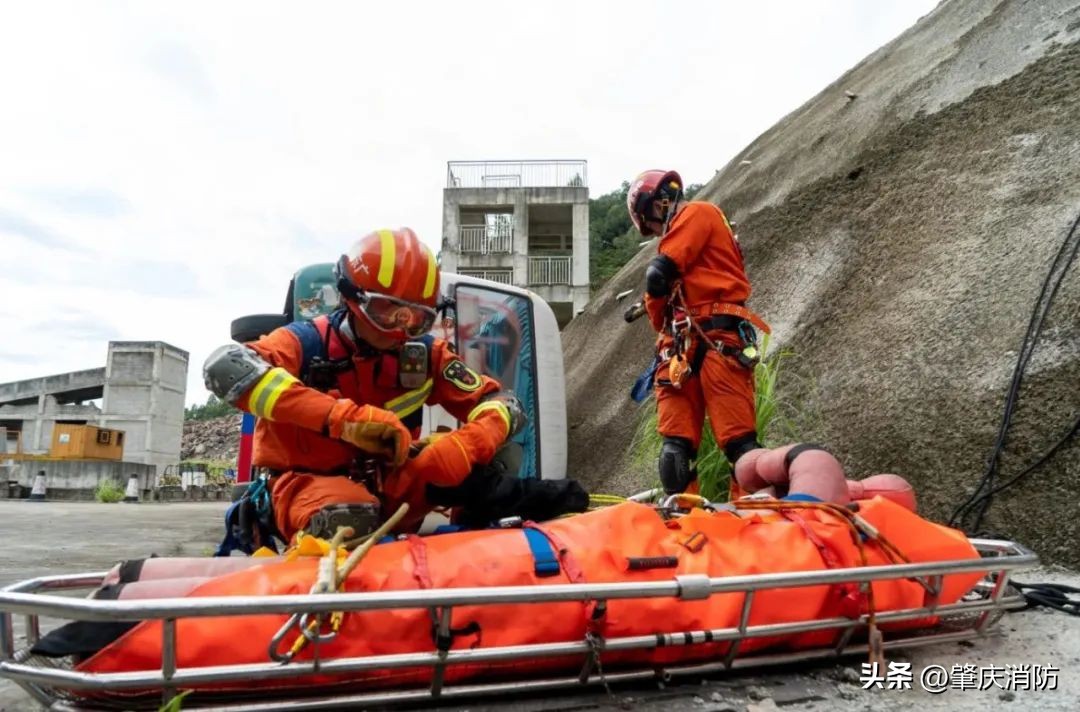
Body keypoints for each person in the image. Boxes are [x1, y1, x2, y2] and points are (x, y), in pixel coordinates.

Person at [204, 227, 586, 548]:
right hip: (305, 487)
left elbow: (504, 403)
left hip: (391, 487)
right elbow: (226, 368)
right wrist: (341, 419)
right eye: (389, 313)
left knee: (475, 484)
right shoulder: (304, 345)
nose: (402, 330)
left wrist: (468, 445)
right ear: (352, 299)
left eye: (417, 319)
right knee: (347, 517)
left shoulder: (426, 357)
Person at [627, 170, 770, 496]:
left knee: (724, 447)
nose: (651, 230)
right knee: (719, 447)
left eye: (647, 222)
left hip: (692, 343)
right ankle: (746, 523)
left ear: (658, 202)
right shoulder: (698, 231)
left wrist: (654, 309)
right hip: (714, 341)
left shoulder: (697, 213)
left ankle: (688, 521)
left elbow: (658, 276)